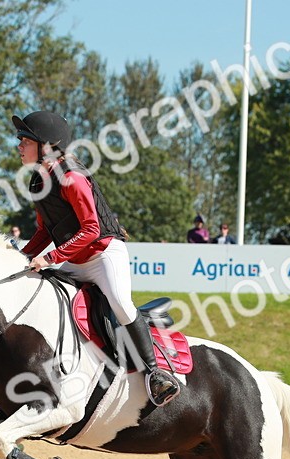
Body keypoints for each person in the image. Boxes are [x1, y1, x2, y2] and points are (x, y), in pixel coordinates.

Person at [13, 110, 181, 408]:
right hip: (75, 259)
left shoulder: (72, 178)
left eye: (25, 140)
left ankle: (155, 373)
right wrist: (22, 257)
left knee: (121, 303)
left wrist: (50, 257)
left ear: (47, 146)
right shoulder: (38, 183)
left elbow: (91, 229)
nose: (19, 146)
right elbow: (44, 230)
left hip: (103, 255)